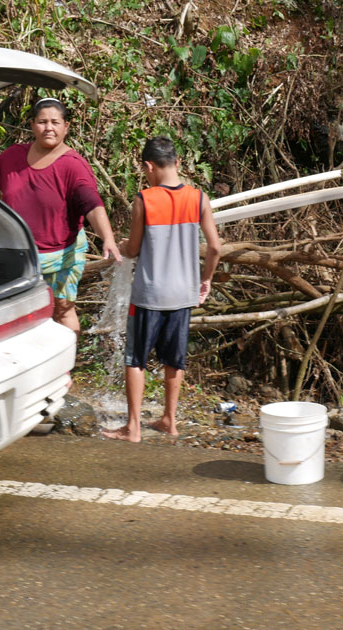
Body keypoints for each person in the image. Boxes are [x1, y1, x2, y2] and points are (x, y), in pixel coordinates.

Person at [103, 137, 222, 442]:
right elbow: (216, 247)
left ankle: (133, 427)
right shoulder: (199, 198)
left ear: (148, 166)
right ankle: (169, 420)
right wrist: (205, 280)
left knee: (136, 359)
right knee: (174, 359)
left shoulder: (145, 199)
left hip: (150, 295)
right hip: (183, 295)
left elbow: (133, 248)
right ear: (178, 163)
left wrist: (121, 248)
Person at [0, 97, 121, 334]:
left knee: (62, 309)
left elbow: (91, 203)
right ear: (32, 125)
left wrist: (107, 237)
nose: (49, 128)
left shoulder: (73, 165)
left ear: (66, 127)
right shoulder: (13, 156)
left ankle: (66, 365)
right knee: (20, 313)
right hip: (19, 254)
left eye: (55, 122)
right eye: (42, 122)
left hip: (61, 255)